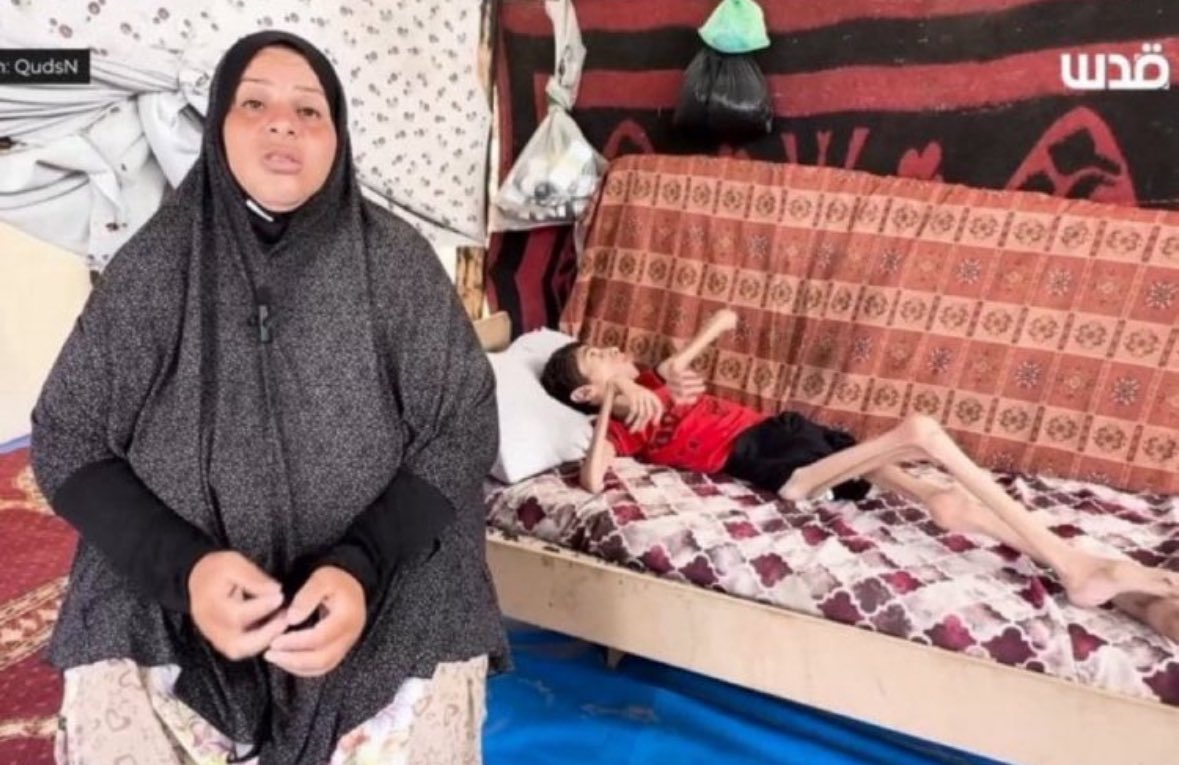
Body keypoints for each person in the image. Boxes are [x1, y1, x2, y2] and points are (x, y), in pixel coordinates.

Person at [31, 31, 506, 765]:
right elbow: (69, 433)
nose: (283, 123)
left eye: (309, 110)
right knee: (114, 614)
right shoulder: (154, 266)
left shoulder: (397, 263)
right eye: (253, 103)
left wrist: (361, 565)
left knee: (440, 590)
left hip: (378, 588)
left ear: (337, 139)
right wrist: (185, 570)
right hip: (181, 598)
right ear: (218, 128)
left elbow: (463, 421)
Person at [540, 308, 1179, 636]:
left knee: (941, 498)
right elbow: (592, 481)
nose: (613, 350)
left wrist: (673, 367)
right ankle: (1076, 565)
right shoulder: (623, 428)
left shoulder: (657, 383)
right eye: (598, 357)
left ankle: (1127, 596)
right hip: (775, 467)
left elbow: (695, 351)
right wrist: (613, 406)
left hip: (786, 431)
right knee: (920, 434)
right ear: (587, 394)